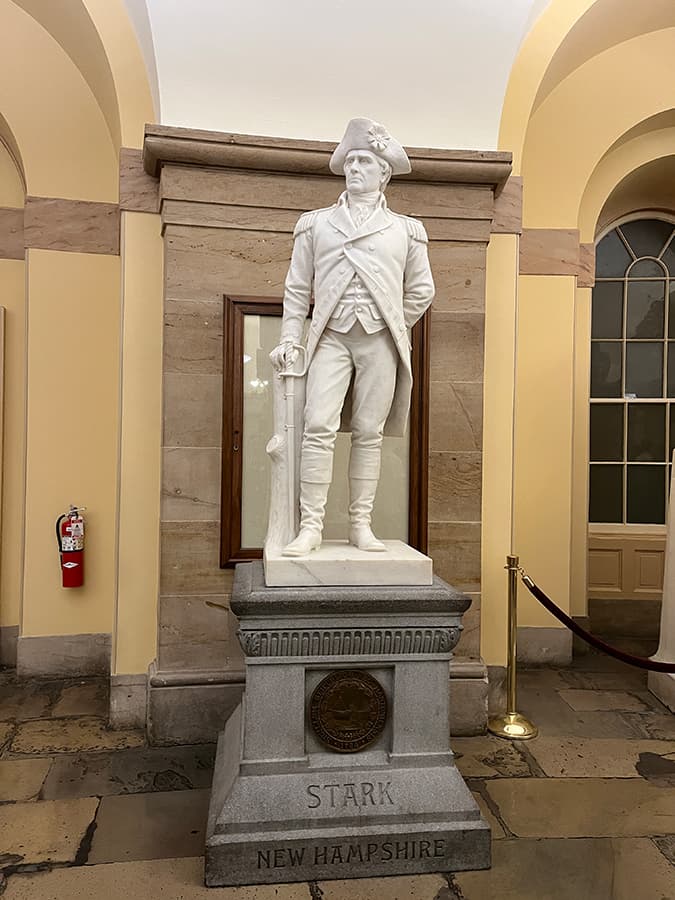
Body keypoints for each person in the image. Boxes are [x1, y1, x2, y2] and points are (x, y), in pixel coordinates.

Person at [270, 117, 434, 557]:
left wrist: (391, 321)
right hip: (330, 338)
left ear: (384, 173)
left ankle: (361, 524)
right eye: (351, 160)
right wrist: (291, 338)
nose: (355, 167)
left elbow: (421, 290)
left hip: (379, 340)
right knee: (317, 427)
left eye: (366, 161)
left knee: (368, 432)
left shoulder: (406, 230)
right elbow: (297, 287)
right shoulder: (316, 224)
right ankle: (311, 526)